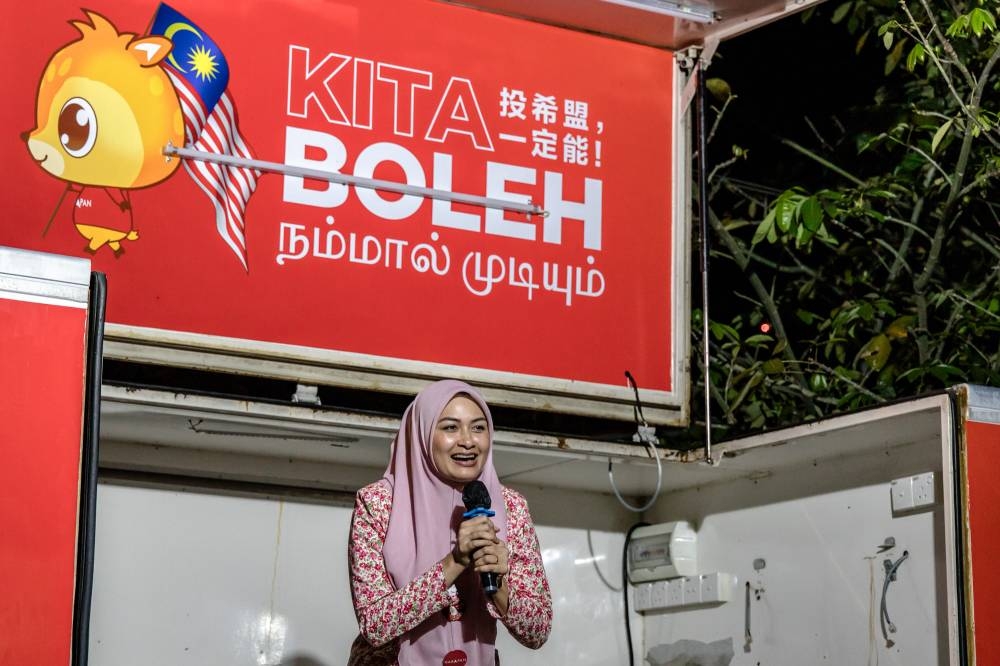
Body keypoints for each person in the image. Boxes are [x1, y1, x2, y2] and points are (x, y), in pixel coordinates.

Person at [347, 379, 552, 666]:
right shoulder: (379, 504)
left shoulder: (510, 506)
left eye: (478, 427)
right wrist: (454, 562)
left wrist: (499, 585)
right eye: (450, 427)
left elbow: (538, 631)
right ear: (423, 433)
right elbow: (375, 626)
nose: (468, 440)